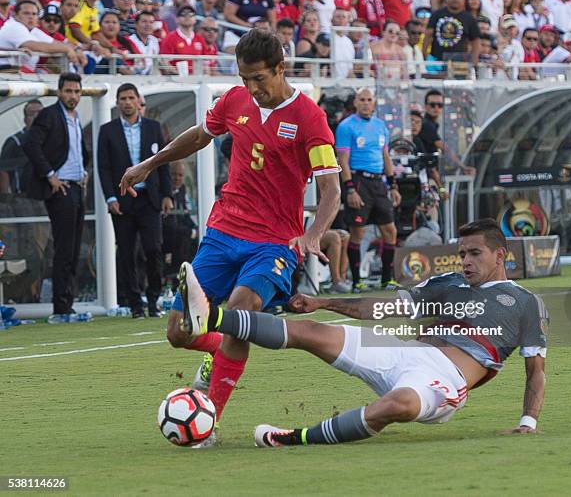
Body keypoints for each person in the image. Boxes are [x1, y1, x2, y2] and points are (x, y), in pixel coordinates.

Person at [119, 28, 341, 437]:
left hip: (273, 243)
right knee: (178, 332)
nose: (252, 88)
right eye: (245, 78)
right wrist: (149, 164)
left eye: (260, 78)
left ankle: (208, 422)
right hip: (223, 233)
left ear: (280, 68)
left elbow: (331, 190)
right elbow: (201, 135)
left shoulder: (310, 117)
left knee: (240, 314)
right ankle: (218, 351)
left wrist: (313, 234)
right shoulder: (234, 100)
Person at [176, 218, 548, 447]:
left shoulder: (526, 304)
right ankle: (210, 318)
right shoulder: (447, 283)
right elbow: (384, 308)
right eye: (463, 253)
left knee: (397, 405)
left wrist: (527, 423)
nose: (465, 261)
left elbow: (536, 371)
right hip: (402, 351)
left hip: (442, 379)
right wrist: (324, 304)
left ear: (500, 255)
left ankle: (293, 437)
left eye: (475, 254)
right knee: (310, 332)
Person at [97, 83, 172, 319]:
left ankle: (153, 299)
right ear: (117, 102)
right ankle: (134, 304)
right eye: (122, 98)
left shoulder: (153, 128)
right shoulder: (107, 131)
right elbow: (104, 168)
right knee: (127, 253)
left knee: (153, 249)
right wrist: (110, 197)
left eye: (131, 97)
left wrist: (167, 194)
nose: (127, 102)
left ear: (138, 101)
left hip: (149, 199)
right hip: (122, 200)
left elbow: (163, 162)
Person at [22, 73, 88, 319]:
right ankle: (61, 306)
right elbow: (31, 144)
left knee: (73, 249)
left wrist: (84, 171)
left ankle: (67, 301)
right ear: (59, 92)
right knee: (64, 249)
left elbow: (76, 151)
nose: (72, 96)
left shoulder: (75, 117)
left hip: (76, 186)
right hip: (61, 189)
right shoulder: (49, 115)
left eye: (76, 91)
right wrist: (50, 175)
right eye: (68, 91)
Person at [335, 87, 402, 293]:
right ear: (355, 102)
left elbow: (386, 157)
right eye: (362, 99)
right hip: (358, 181)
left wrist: (393, 186)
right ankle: (357, 282)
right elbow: (343, 161)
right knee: (358, 232)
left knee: (390, 231)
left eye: (369, 100)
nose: (365, 103)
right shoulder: (346, 127)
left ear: (374, 103)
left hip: (378, 183)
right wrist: (349, 190)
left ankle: (386, 279)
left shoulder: (381, 126)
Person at [0, 0, 80, 72]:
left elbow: (56, 43)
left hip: (18, 73)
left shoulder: (32, 29)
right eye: (26, 13)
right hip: (5, 72)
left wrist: (76, 50)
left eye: (34, 14)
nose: (31, 17)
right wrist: (67, 48)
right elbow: (34, 46)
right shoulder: (13, 26)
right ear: (15, 15)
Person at [424, 0, 481, 67]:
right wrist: (425, 53)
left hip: (460, 62)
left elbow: (476, 41)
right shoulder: (437, 14)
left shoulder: (469, 18)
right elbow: (428, 35)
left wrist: (474, 59)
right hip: (436, 60)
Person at [0, 99, 42, 194]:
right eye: (32, 114)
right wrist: (5, 199)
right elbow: (3, 171)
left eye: (40, 114)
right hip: (23, 197)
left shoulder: (53, 139)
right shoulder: (15, 141)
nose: (36, 117)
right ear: (25, 120)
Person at [159, 4, 206, 75]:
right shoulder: (170, 38)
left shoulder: (200, 39)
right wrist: (179, 74)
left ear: (195, 19)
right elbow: (164, 62)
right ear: (176, 19)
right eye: (183, 14)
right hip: (176, 81)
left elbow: (205, 63)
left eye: (191, 14)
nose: (187, 17)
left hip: (197, 80)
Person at [129, 10, 160, 75]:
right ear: (136, 24)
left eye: (151, 22)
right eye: (144, 21)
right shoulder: (129, 41)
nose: (148, 25)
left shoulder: (154, 40)